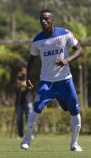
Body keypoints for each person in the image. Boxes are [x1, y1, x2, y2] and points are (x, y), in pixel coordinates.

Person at [20, 9, 83, 151]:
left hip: (66, 81)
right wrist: (28, 78)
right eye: (41, 19)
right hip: (46, 82)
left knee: (75, 111)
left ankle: (74, 144)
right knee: (36, 109)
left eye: (46, 19)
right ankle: (27, 139)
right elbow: (31, 61)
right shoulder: (37, 40)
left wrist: (67, 60)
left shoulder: (65, 33)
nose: (43, 21)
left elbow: (79, 50)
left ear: (52, 20)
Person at [15, 67, 30, 138]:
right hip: (18, 102)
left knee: (29, 118)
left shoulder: (28, 79)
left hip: (27, 101)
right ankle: (20, 134)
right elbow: (15, 88)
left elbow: (29, 87)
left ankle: (30, 134)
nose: (22, 73)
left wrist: (21, 83)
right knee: (19, 119)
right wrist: (18, 80)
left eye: (24, 72)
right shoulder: (17, 80)